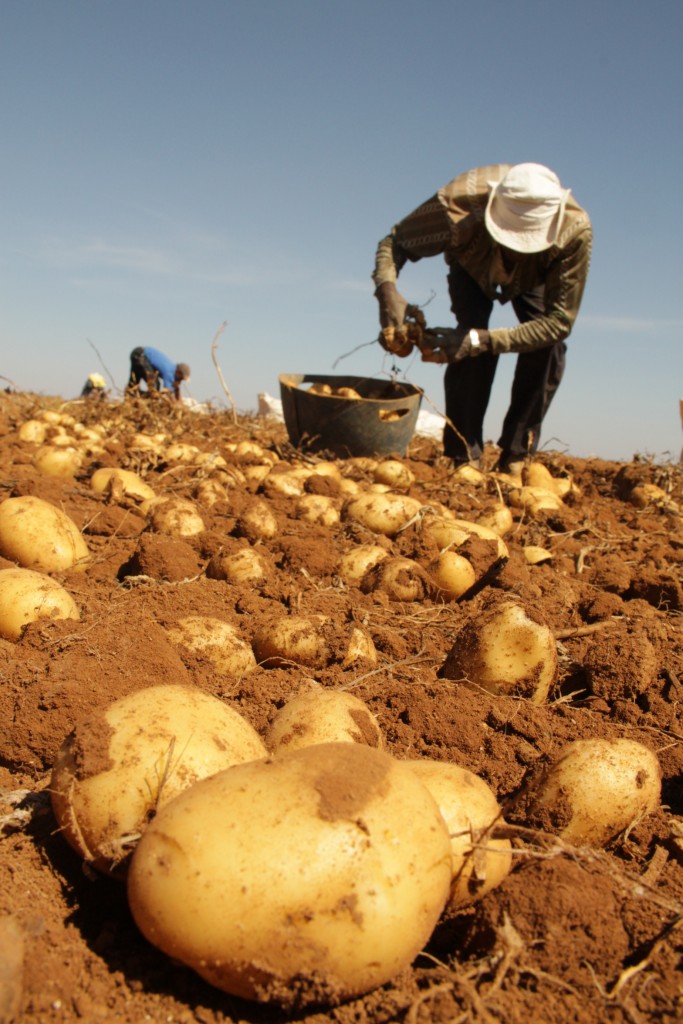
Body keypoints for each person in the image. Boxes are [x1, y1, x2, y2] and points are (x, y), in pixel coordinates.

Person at [373, 162, 592, 471]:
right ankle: (464, 454)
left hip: (535, 278)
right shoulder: (457, 207)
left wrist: (481, 341)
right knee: (467, 334)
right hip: (471, 264)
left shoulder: (573, 231)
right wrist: (387, 292)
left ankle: (517, 453)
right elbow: (394, 243)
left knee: (547, 347)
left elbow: (558, 323)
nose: (516, 251)